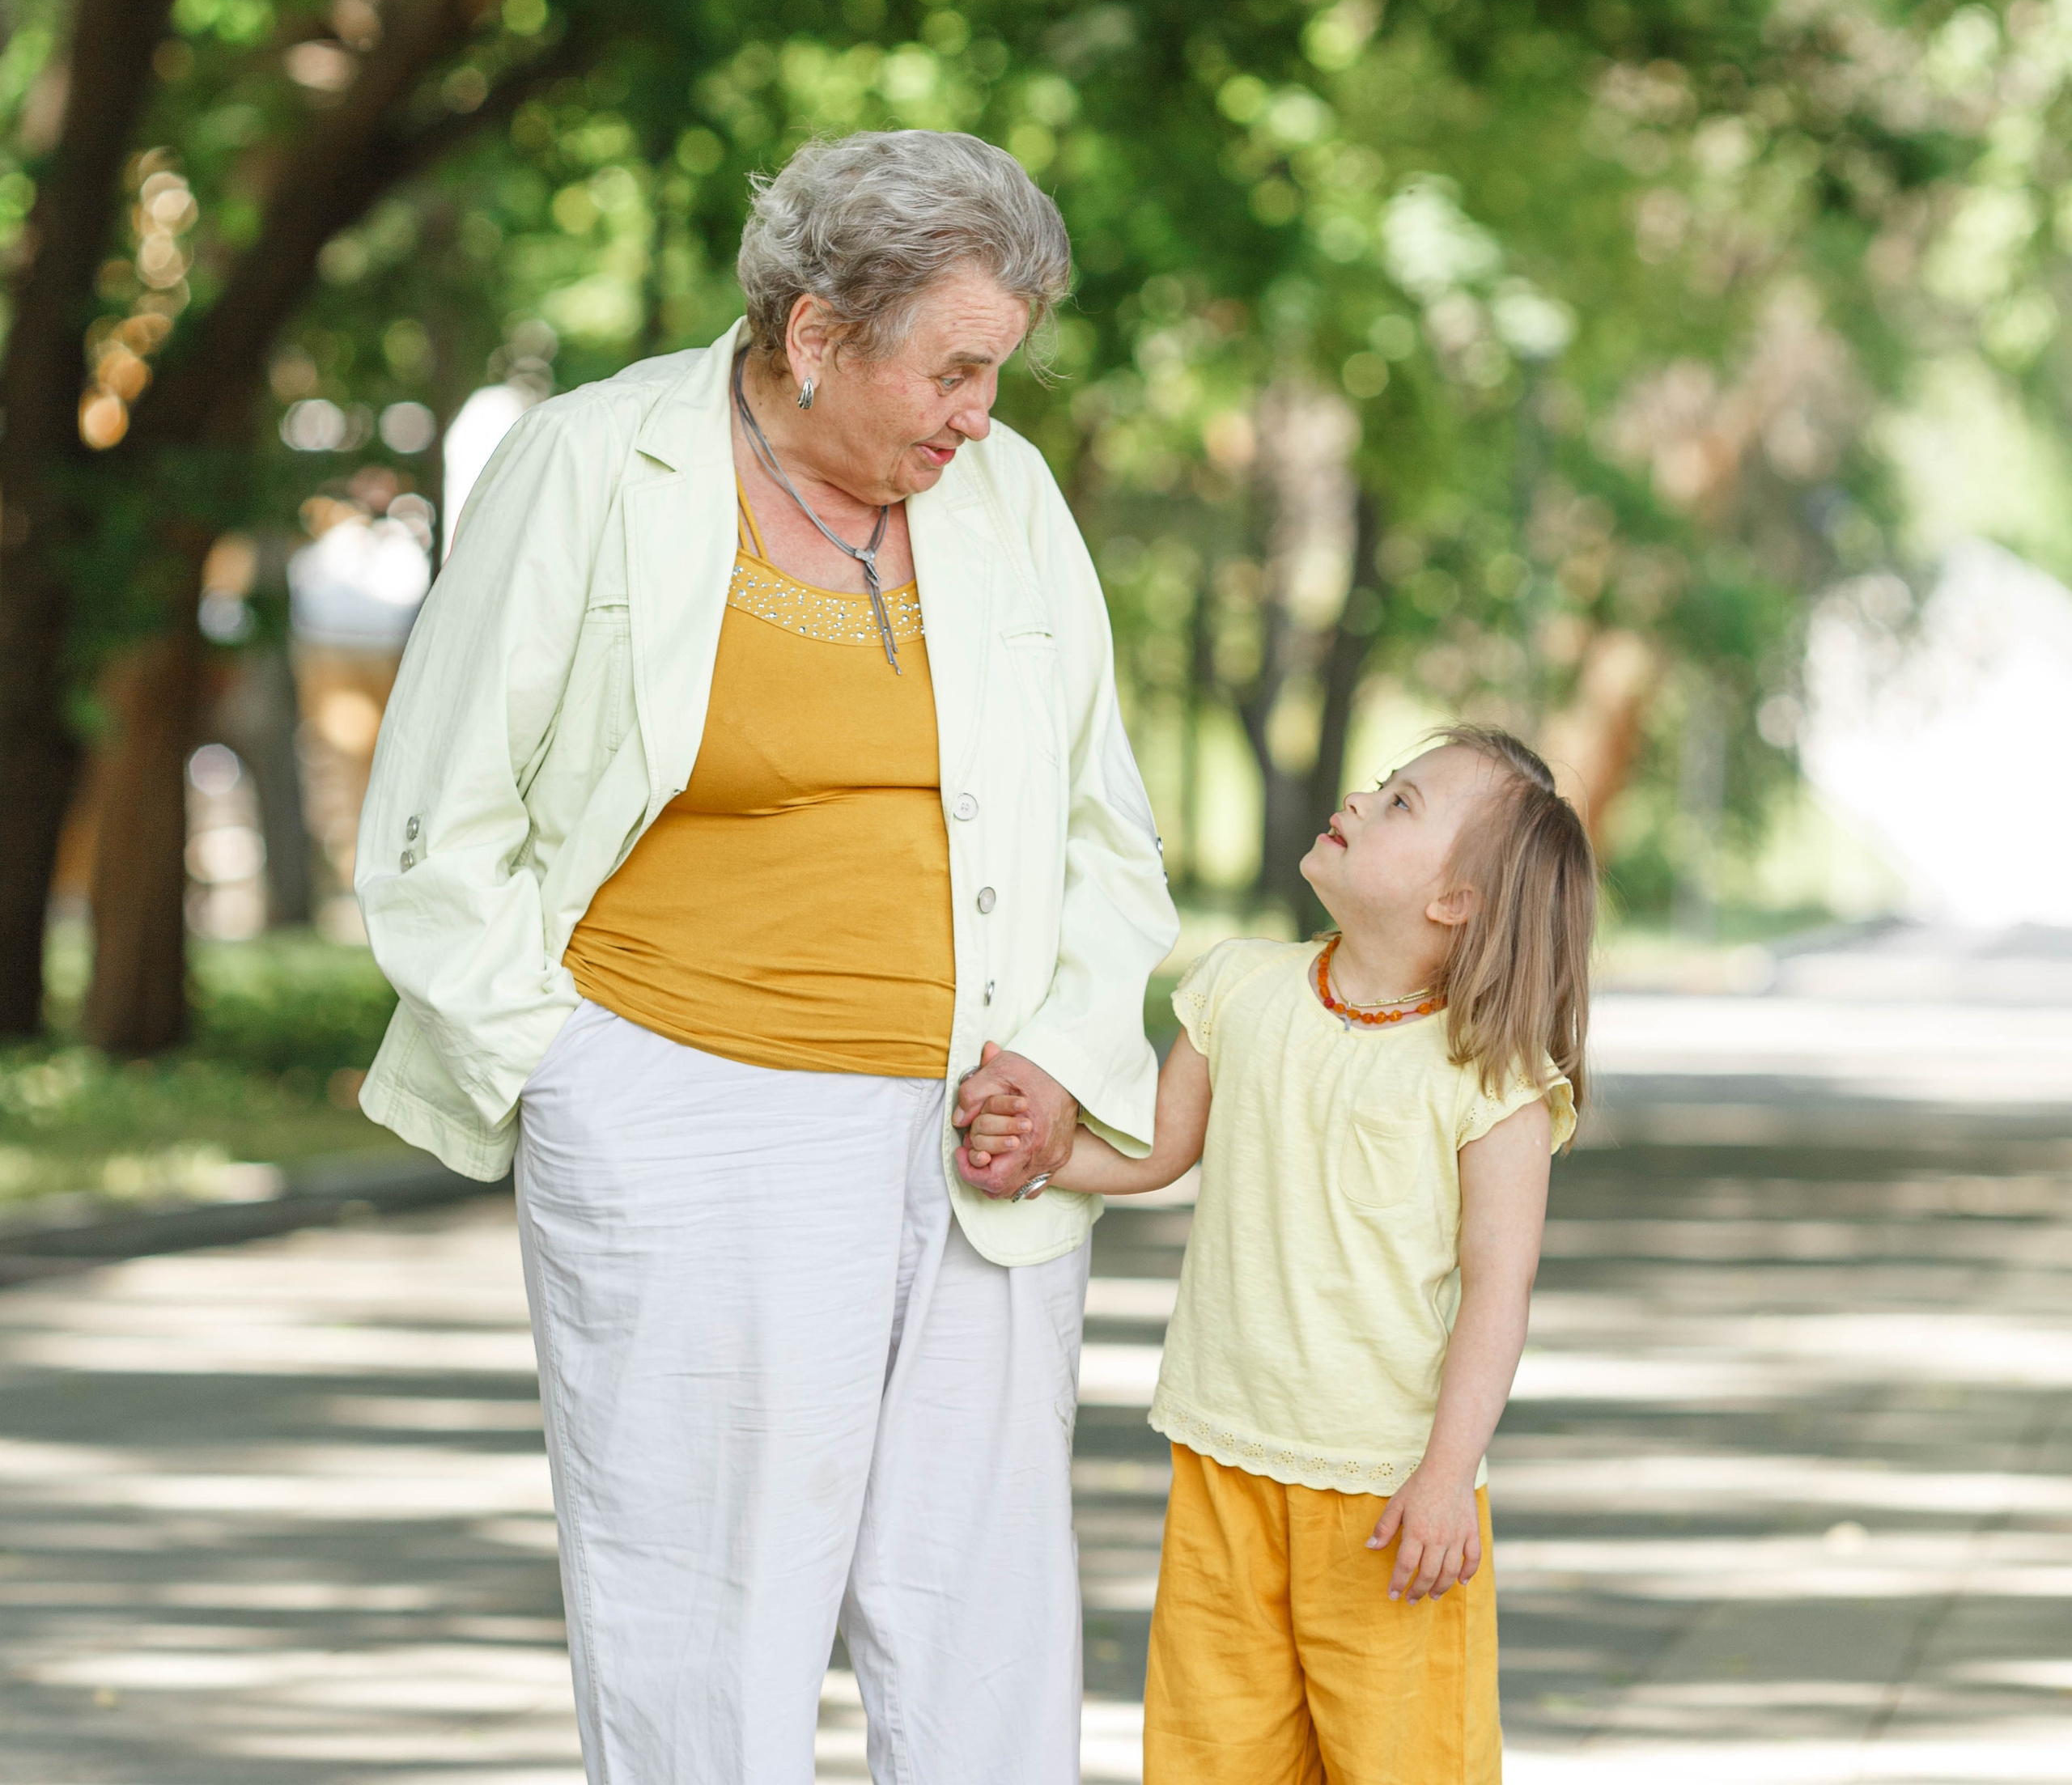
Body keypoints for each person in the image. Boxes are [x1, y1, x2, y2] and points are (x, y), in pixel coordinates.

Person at [353, 129, 1178, 1785]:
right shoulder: (593, 464)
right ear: (815, 333)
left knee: (983, 1621)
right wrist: (575, 1078)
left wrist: (1064, 1056)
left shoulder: (1007, 498)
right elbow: (438, 822)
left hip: (977, 1126)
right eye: (952, 369)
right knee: (703, 1622)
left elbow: (1108, 829)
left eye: (996, 372)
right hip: (683, 1109)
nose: (979, 414)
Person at [969, 725, 1594, 1785]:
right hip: (1225, 1458)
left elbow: (1501, 1287)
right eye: (1383, 784)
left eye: (1401, 803)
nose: (1361, 798)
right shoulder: (1241, 988)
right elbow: (1160, 1150)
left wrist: (1447, 1477)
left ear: (1456, 902)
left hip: (1390, 1495)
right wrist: (1045, 1155)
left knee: (1406, 1764)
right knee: (1214, 1755)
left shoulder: (1493, 1079)